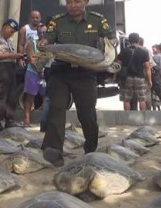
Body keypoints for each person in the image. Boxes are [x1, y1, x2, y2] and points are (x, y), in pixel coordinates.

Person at [40, 0, 116, 167]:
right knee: (56, 108)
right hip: (60, 71)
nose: (72, 5)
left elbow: (111, 38)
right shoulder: (57, 20)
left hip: (85, 73)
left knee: (87, 114)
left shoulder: (98, 20)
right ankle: (54, 151)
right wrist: (43, 44)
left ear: (86, 2)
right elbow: (48, 39)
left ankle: (90, 148)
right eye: (69, 2)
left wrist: (111, 44)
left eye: (77, 1)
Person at [0, 19, 23, 131]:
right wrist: (12, 55)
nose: (12, 33)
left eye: (14, 31)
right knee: (0, 96)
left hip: (10, 68)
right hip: (1, 68)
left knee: (12, 96)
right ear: (5, 27)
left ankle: (9, 119)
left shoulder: (8, 41)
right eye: (11, 30)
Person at [116, 33, 151, 111]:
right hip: (140, 78)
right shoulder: (144, 51)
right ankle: (143, 119)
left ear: (129, 40)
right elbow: (147, 67)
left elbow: (118, 65)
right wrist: (149, 80)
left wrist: (115, 76)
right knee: (142, 99)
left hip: (127, 78)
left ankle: (127, 118)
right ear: (138, 40)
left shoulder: (124, 51)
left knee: (127, 99)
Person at [22, 24, 47, 127]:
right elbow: (32, 60)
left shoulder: (52, 46)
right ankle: (26, 120)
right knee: (30, 97)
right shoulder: (32, 44)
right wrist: (41, 71)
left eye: (45, 32)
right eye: (41, 32)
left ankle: (45, 121)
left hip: (46, 74)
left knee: (48, 98)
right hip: (33, 72)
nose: (42, 34)